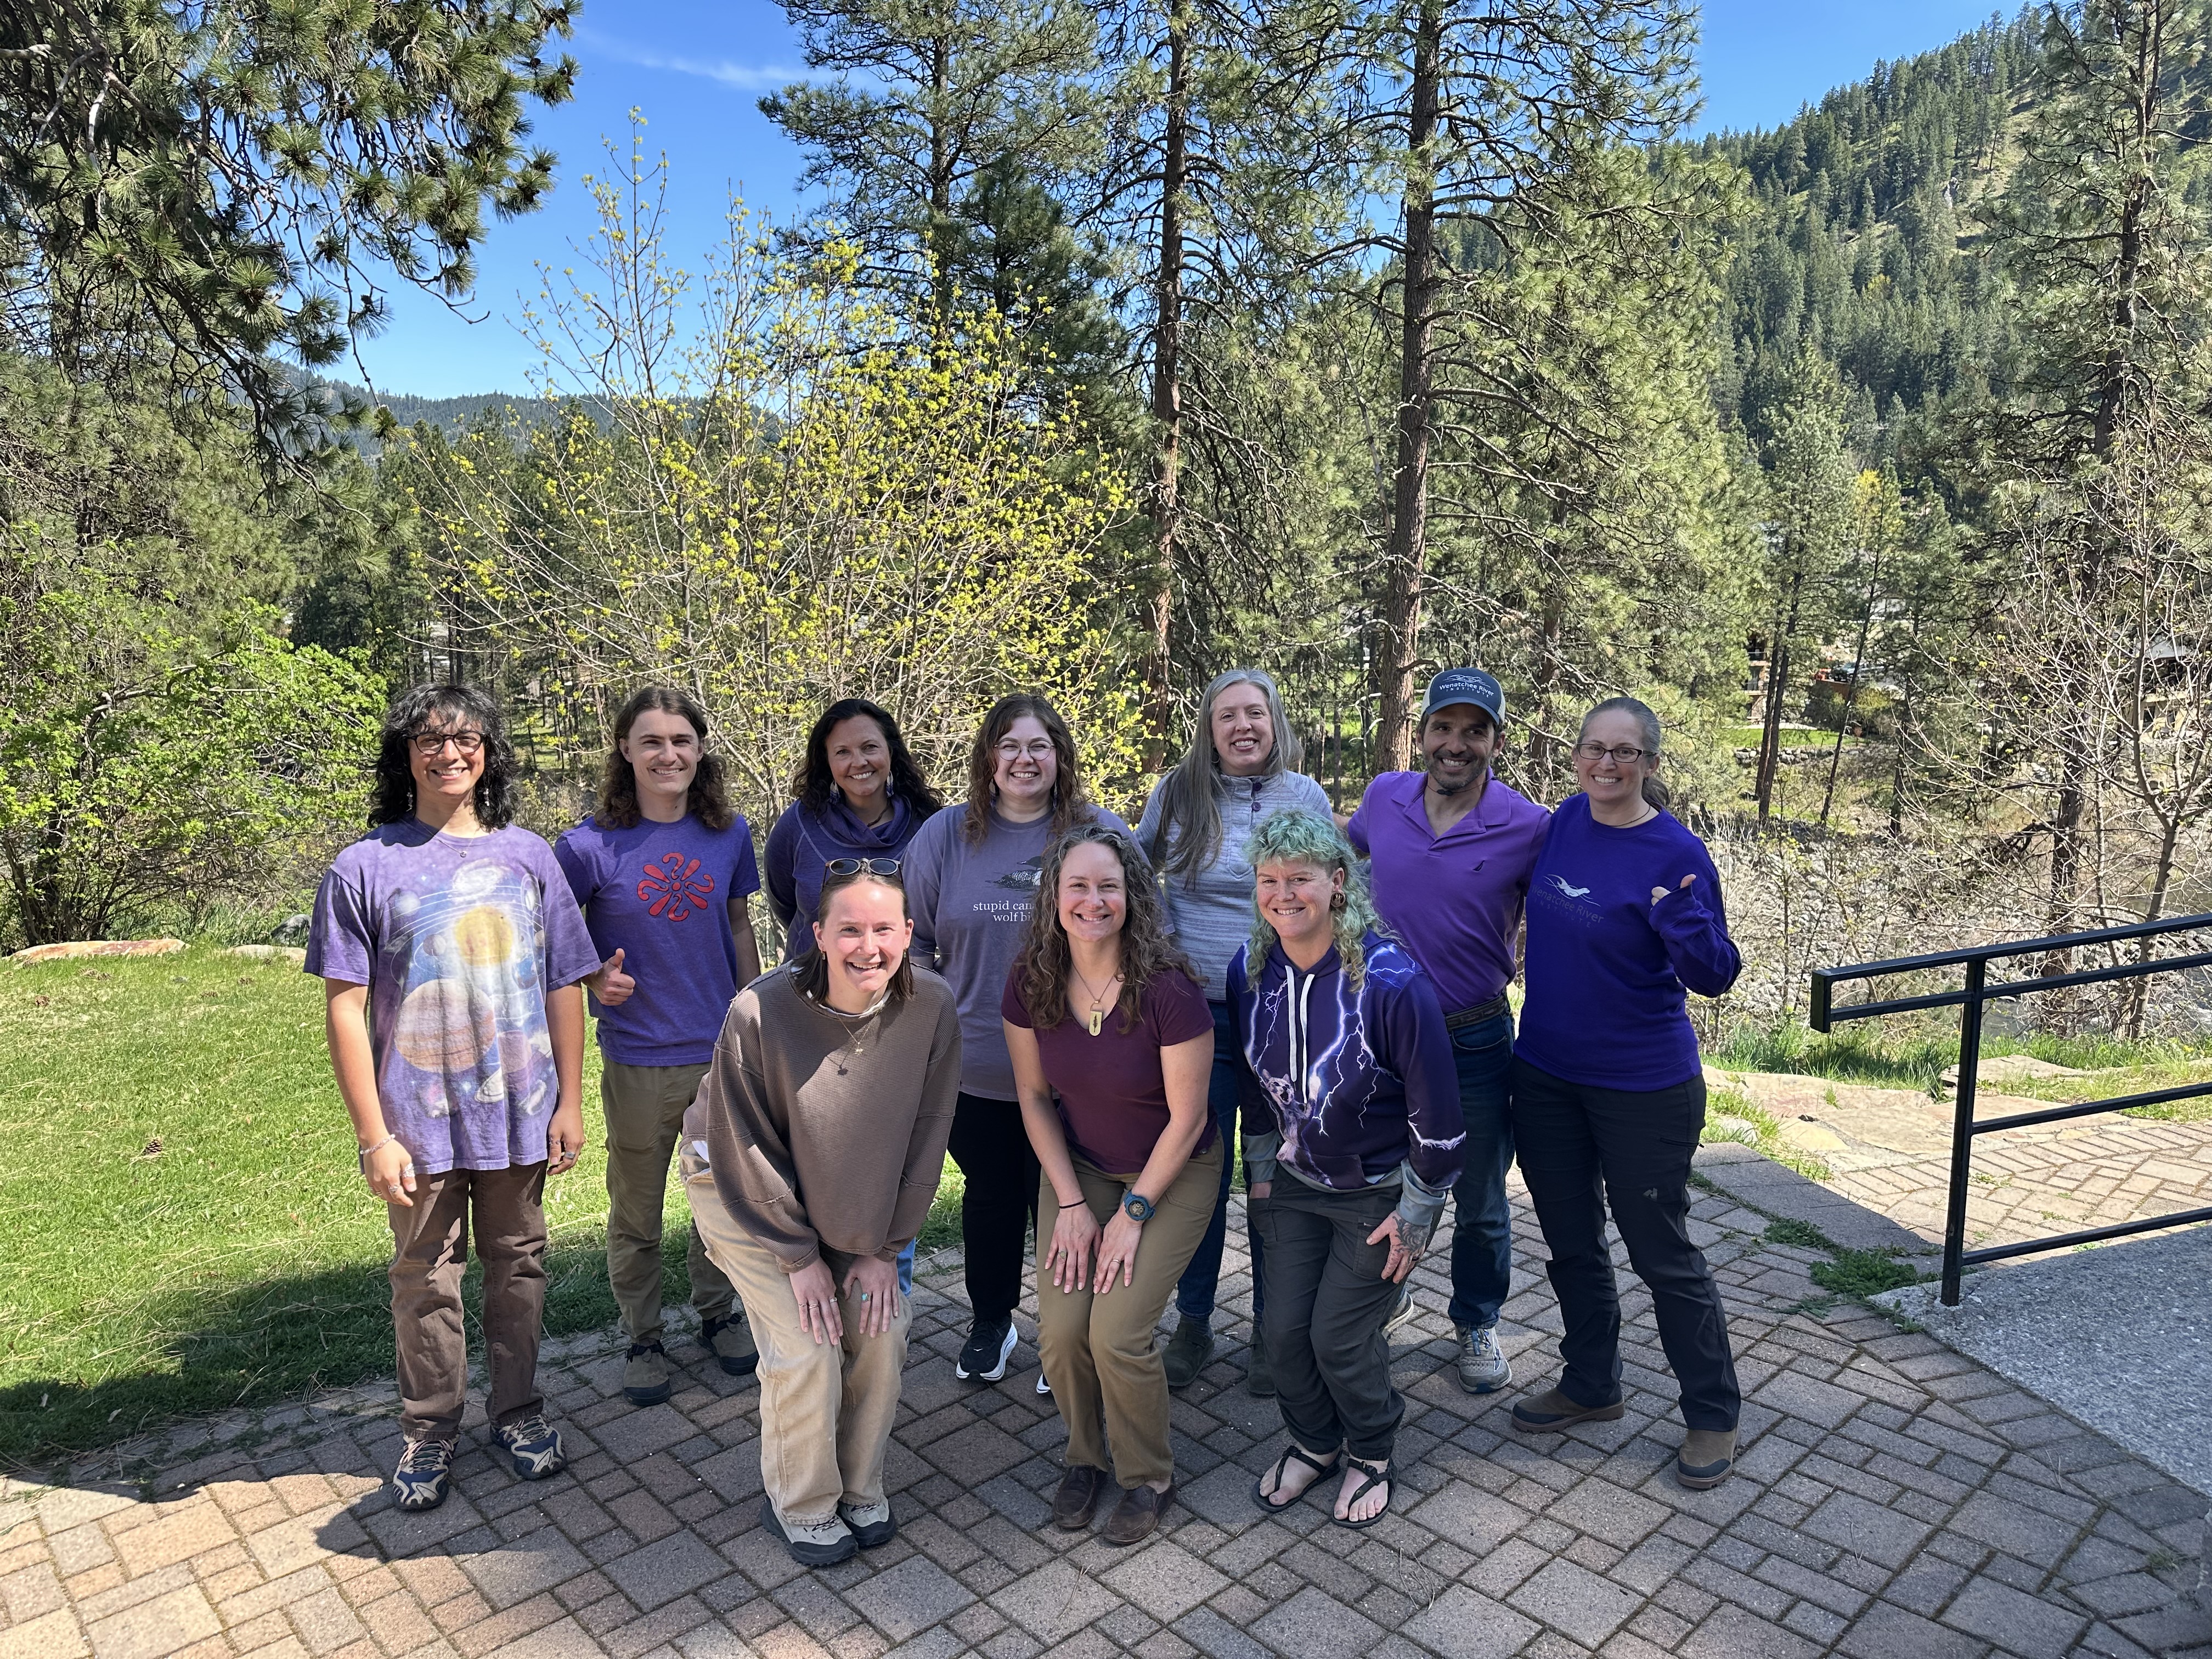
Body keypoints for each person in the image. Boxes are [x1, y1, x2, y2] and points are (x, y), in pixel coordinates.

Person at [309, 684, 602, 1513]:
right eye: (430, 740)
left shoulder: (528, 855)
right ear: (404, 755)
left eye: (467, 737)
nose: (450, 753)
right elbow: (344, 1005)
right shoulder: (364, 865)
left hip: (519, 1109)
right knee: (425, 1276)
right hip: (417, 1122)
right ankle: (430, 1431)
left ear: (489, 752)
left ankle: (518, 1413)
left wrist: (570, 1101)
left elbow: (562, 984)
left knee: (519, 1265)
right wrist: (375, 1136)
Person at [680, 861, 960, 1565]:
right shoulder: (760, 1010)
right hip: (742, 1194)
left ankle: (859, 1488)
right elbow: (739, 1146)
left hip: (849, 1191)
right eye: (851, 930)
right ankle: (802, 1503)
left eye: (884, 929)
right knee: (807, 1346)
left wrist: (882, 1248)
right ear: (819, 934)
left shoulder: (932, 1006)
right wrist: (799, 1258)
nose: (869, 947)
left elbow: (929, 1133)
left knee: (881, 1330)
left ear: (908, 932)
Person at [1509, 697, 1745, 1489]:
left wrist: (1682, 921)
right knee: (1572, 1241)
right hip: (1544, 1075)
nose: (1606, 766)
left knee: (1661, 1254)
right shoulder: (1561, 825)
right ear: (1575, 755)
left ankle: (1711, 1415)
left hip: (1643, 1086)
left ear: (1649, 763)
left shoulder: (1675, 853)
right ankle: (1591, 1384)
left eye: (1625, 753)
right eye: (1593, 749)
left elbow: (1714, 975)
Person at [1229, 810, 1463, 1528]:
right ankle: (1315, 1442)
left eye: (1300, 877)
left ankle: (1371, 1451)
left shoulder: (1393, 981)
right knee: (1282, 1335)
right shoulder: (1252, 968)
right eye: (1270, 880)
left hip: (1379, 1193)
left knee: (1338, 1336)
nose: (1284, 894)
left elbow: (1443, 1116)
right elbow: (1251, 1085)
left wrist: (1418, 1214)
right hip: (1297, 1185)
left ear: (1338, 883)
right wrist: (1263, 1176)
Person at [904, 695, 1133, 1387]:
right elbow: (910, 945)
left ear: (1059, 757)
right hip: (977, 1066)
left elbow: (1145, 938)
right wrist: (931, 1028)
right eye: (1009, 746)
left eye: (1039, 746)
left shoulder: (1100, 831)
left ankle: (1070, 1338)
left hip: (1081, 1072)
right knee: (994, 1196)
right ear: (988, 759)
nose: (1024, 760)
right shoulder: (946, 837)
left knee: (1077, 1201)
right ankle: (992, 1322)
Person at [1003, 825, 1217, 1545]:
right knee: (1062, 1334)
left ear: (1132, 895)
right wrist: (1069, 1202)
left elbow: (1188, 1120)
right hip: (1083, 1167)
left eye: (1109, 887)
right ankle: (1085, 1457)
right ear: (1054, 899)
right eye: (1078, 887)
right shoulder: (1030, 977)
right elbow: (1034, 1098)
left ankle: (1148, 1474)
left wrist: (1133, 1213)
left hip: (1173, 1168)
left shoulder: (1170, 988)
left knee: (1118, 1334)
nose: (1094, 901)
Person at [556, 687, 765, 1408]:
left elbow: (739, 925)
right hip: (639, 1061)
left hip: (718, 1062)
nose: (667, 754)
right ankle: (643, 1336)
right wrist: (591, 976)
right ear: (625, 750)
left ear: (700, 749)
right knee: (637, 1214)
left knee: (719, 1203)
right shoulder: (585, 846)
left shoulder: (729, 834)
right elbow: (556, 932)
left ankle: (717, 1315)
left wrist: (752, 1014)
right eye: (651, 741)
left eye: (681, 740)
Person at [1345, 668, 1548, 1393]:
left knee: (1483, 1200)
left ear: (1495, 741)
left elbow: (1573, 904)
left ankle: (1476, 1320)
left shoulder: (1528, 825)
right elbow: (1336, 859)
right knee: (1376, 1181)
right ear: (1423, 732)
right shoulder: (1383, 797)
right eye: (1444, 727)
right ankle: (1384, 1292)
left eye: (1475, 730)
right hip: (1384, 1039)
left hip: (1474, 1040)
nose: (1456, 744)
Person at [1136, 670, 1331, 1396]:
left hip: (1286, 1014)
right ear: (1209, 728)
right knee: (1202, 1171)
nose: (1243, 726)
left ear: (1275, 720)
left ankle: (1272, 1328)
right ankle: (1194, 1320)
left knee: (1277, 1174)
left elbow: (1323, 888)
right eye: (1228, 716)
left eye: (1255, 713)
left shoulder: (1304, 797)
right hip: (1198, 1018)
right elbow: (1132, 870)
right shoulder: (1178, 794)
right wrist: (1159, 943)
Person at [764, 698, 943, 962]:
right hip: (807, 991)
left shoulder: (930, 826)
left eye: (869, 747)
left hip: (904, 991)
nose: (858, 762)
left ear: (890, 752)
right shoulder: (799, 824)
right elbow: (785, 904)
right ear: (827, 761)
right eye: (842, 752)